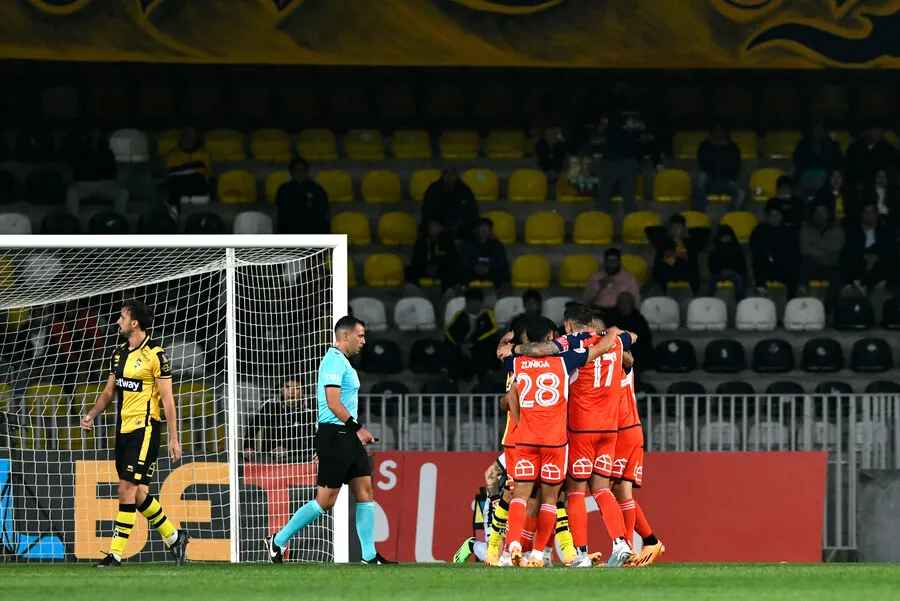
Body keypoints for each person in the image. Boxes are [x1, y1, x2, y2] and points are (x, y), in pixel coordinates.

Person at [500, 303, 637, 568]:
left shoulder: (564, 348)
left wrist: (513, 347)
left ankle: (579, 554)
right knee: (601, 489)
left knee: (572, 492)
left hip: (576, 430)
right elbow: (630, 339)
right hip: (609, 429)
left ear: (569, 326)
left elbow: (537, 352)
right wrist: (612, 334)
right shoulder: (615, 343)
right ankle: (621, 543)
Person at [265, 316, 394, 565]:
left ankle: (369, 556)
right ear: (346, 336)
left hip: (347, 435)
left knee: (365, 491)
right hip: (336, 434)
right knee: (325, 501)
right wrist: (358, 429)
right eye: (361, 335)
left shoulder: (343, 362)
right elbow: (333, 402)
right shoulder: (333, 361)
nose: (364, 341)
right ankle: (279, 540)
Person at [81, 299, 189, 568]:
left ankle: (115, 555)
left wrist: (175, 438)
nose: (118, 321)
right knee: (138, 494)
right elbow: (109, 392)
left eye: (122, 316)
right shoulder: (119, 353)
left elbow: (168, 400)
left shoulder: (155, 355)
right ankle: (175, 538)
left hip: (145, 429)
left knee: (125, 490)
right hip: (123, 431)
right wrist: (92, 414)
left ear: (134, 322)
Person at [613, 352, 665, 567]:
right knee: (617, 490)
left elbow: (629, 358)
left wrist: (610, 343)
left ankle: (629, 549)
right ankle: (649, 542)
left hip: (622, 432)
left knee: (616, 489)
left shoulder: (614, 360)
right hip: (616, 431)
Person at [595, 83, 647, 213]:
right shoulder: (636, 111)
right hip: (630, 159)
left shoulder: (611, 108)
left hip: (612, 159)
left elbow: (601, 128)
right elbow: (642, 133)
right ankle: (632, 225)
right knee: (630, 200)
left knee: (603, 197)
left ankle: (600, 227)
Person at [242, 377, 313, 462]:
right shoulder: (270, 406)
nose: (291, 391)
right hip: (269, 459)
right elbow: (253, 427)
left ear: (302, 391)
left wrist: (289, 451)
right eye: (287, 387)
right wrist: (248, 446)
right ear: (282, 389)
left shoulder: (307, 413)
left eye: (296, 388)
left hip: (294, 460)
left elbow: (310, 441)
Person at [65, 127, 128, 216]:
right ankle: (73, 220)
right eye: (92, 131)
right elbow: (76, 168)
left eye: (97, 132)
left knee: (123, 193)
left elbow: (112, 170)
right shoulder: (80, 150)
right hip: (84, 184)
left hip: (103, 184)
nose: (94, 134)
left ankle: (118, 219)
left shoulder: (107, 151)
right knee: (71, 192)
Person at [646, 214, 710, 294]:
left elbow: (705, 233)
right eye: (673, 227)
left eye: (679, 227)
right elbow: (649, 230)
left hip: (684, 270)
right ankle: (661, 295)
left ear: (683, 228)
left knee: (692, 267)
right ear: (670, 229)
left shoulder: (690, 242)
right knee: (660, 269)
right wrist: (666, 231)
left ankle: (695, 295)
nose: (676, 230)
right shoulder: (663, 241)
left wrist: (688, 232)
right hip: (668, 270)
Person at [444, 288, 499, 380]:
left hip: (479, 345)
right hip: (462, 346)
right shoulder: (460, 315)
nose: (472, 305)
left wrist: (473, 343)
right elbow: (449, 332)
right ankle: (450, 377)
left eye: (475, 302)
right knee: (447, 346)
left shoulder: (488, 315)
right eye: (470, 302)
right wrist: (460, 345)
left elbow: (493, 330)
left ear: (481, 303)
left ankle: (487, 374)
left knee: (492, 345)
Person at [750, 200, 800, 297]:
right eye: (771, 215)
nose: (774, 218)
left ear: (782, 216)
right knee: (759, 254)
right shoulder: (760, 229)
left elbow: (793, 253)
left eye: (777, 215)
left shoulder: (789, 231)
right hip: (766, 267)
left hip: (783, 267)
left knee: (793, 264)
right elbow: (755, 247)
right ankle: (760, 287)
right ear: (767, 217)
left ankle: (791, 303)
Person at [842, 202, 893, 295]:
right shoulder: (853, 231)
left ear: (876, 214)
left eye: (871, 212)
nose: (868, 215)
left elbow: (887, 248)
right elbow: (851, 249)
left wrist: (875, 259)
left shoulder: (884, 231)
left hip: (879, 265)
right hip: (858, 264)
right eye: (866, 212)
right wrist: (865, 257)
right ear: (862, 214)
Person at [799, 202, 845, 304]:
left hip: (830, 267)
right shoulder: (806, 229)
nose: (820, 215)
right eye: (817, 212)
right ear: (813, 215)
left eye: (823, 212)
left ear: (828, 214)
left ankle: (827, 312)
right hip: (812, 266)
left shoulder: (837, 231)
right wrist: (825, 252)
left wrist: (815, 245)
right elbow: (804, 249)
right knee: (803, 266)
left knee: (837, 281)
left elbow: (836, 247)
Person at [694, 121, 744, 211]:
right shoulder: (704, 146)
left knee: (741, 193)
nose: (718, 133)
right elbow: (703, 164)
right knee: (700, 178)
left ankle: (731, 216)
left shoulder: (732, 147)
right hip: (709, 179)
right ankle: (701, 211)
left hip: (727, 180)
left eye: (721, 130)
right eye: (716, 130)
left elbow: (736, 166)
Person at [275, 158, 329, 234]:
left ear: (307, 171)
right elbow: (282, 214)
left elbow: (322, 211)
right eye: (296, 170)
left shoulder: (317, 189)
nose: (300, 173)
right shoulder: (283, 189)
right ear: (291, 173)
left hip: (314, 231)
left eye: (302, 170)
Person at [421, 167, 479, 239]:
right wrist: (431, 222)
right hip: (438, 224)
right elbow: (427, 209)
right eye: (447, 173)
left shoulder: (465, 190)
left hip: (459, 225)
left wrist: (457, 225)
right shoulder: (433, 189)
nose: (450, 176)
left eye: (453, 173)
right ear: (442, 175)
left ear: (457, 175)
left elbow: (471, 210)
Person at [166, 126, 212, 218]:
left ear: (196, 135)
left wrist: (182, 169)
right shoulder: (174, 153)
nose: (188, 136)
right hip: (179, 185)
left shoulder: (204, 152)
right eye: (185, 132)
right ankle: (173, 211)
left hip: (199, 186)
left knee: (196, 177)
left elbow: (200, 170)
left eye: (191, 133)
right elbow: (172, 172)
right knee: (174, 181)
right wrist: (194, 166)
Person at [405, 219, 459, 294]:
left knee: (450, 270)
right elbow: (416, 259)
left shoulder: (447, 241)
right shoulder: (421, 242)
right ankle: (416, 293)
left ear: (441, 228)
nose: (432, 228)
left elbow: (452, 258)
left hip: (441, 269)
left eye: (435, 225)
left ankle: (447, 293)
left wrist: (437, 266)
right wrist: (425, 267)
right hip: (424, 268)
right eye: (430, 226)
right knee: (409, 271)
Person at [458, 218, 511, 291]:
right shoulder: (468, 244)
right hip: (472, 270)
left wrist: (489, 267)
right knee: (460, 269)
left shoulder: (496, 245)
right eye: (481, 227)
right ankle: (462, 288)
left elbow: (501, 261)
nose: (484, 230)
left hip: (490, 271)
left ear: (491, 231)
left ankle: (500, 290)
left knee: (503, 270)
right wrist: (474, 266)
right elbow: (463, 259)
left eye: (487, 227)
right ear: (476, 230)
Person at [793, 123, 843, 198]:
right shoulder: (803, 144)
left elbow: (837, 163)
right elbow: (797, 161)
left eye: (820, 130)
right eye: (816, 130)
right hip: (805, 178)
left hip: (826, 178)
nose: (818, 132)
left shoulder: (833, 145)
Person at [604, 293, 652, 371]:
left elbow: (645, 339)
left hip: (634, 349)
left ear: (632, 305)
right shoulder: (610, 316)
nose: (624, 306)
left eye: (628, 304)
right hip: (613, 348)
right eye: (622, 303)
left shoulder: (638, 318)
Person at [845, 122, 898, 191]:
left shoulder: (888, 149)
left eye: (880, 131)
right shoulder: (855, 148)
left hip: (881, 189)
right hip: (858, 188)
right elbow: (849, 169)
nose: (878, 133)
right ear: (867, 132)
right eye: (875, 130)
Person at [707, 224, 748, 300]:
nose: (725, 239)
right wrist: (720, 271)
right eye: (723, 237)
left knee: (739, 279)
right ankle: (710, 300)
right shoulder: (715, 249)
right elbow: (711, 264)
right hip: (718, 273)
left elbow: (741, 264)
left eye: (727, 237)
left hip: (734, 273)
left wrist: (732, 271)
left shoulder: (737, 249)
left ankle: (740, 300)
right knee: (711, 279)